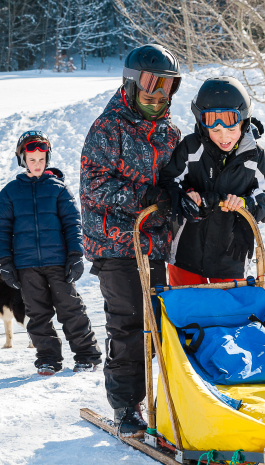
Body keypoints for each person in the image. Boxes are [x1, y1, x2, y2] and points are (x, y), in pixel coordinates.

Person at [80, 44, 196, 436]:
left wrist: (176, 196)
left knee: (160, 324)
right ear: (130, 84)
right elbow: (94, 183)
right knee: (129, 324)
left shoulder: (170, 132)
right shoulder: (107, 127)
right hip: (114, 242)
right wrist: (143, 197)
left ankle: (162, 399)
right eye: (150, 88)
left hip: (153, 243)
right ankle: (126, 405)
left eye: (166, 89)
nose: (158, 96)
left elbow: (174, 178)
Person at [0, 130, 102, 376]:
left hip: (58, 262)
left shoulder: (58, 189)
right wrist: (6, 263)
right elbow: (2, 232)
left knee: (70, 309)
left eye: (41, 160)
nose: (37, 165)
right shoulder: (10, 193)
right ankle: (48, 358)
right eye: (31, 160)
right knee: (37, 314)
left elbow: (73, 224)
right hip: (26, 266)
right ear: (22, 160)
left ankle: (87, 355)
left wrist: (75, 255)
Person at [159, 77, 265, 286]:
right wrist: (185, 194)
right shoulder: (190, 148)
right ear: (203, 126)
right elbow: (168, 180)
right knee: (186, 312)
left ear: (244, 123)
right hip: (186, 250)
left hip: (231, 253)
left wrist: (246, 203)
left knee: (226, 314)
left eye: (231, 129)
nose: (224, 137)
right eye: (215, 130)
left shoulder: (256, 158)